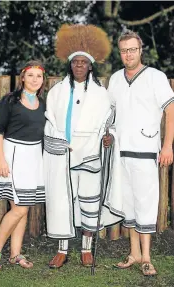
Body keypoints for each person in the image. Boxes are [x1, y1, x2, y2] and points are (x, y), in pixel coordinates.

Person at [44, 24, 124, 269]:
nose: (79, 66)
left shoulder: (102, 93)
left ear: (90, 65)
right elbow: (50, 121)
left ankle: (86, 248)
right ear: (71, 64)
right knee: (64, 201)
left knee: (89, 202)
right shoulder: (57, 91)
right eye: (75, 62)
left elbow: (109, 123)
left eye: (83, 62)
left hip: (91, 155)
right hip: (65, 155)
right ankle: (62, 249)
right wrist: (60, 144)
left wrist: (108, 138)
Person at [107, 29, 174, 276]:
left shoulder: (156, 77)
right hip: (121, 152)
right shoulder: (115, 79)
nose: (128, 54)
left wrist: (167, 146)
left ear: (140, 50)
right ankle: (134, 254)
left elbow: (171, 111)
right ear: (120, 52)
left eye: (132, 49)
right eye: (124, 50)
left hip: (146, 150)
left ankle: (147, 257)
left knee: (146, 204)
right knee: (129, 204)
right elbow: (111, 115)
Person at [0, 60, 46, 270]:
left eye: (38, 76)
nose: (34, 79)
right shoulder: (10, 100)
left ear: (42, 79)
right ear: (22, 77)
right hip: (13, 156)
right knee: (19, 208)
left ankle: (15, 254)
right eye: (30, 75)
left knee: (23, 208)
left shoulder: (43, 104)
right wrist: (1, 158)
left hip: (33, 157)